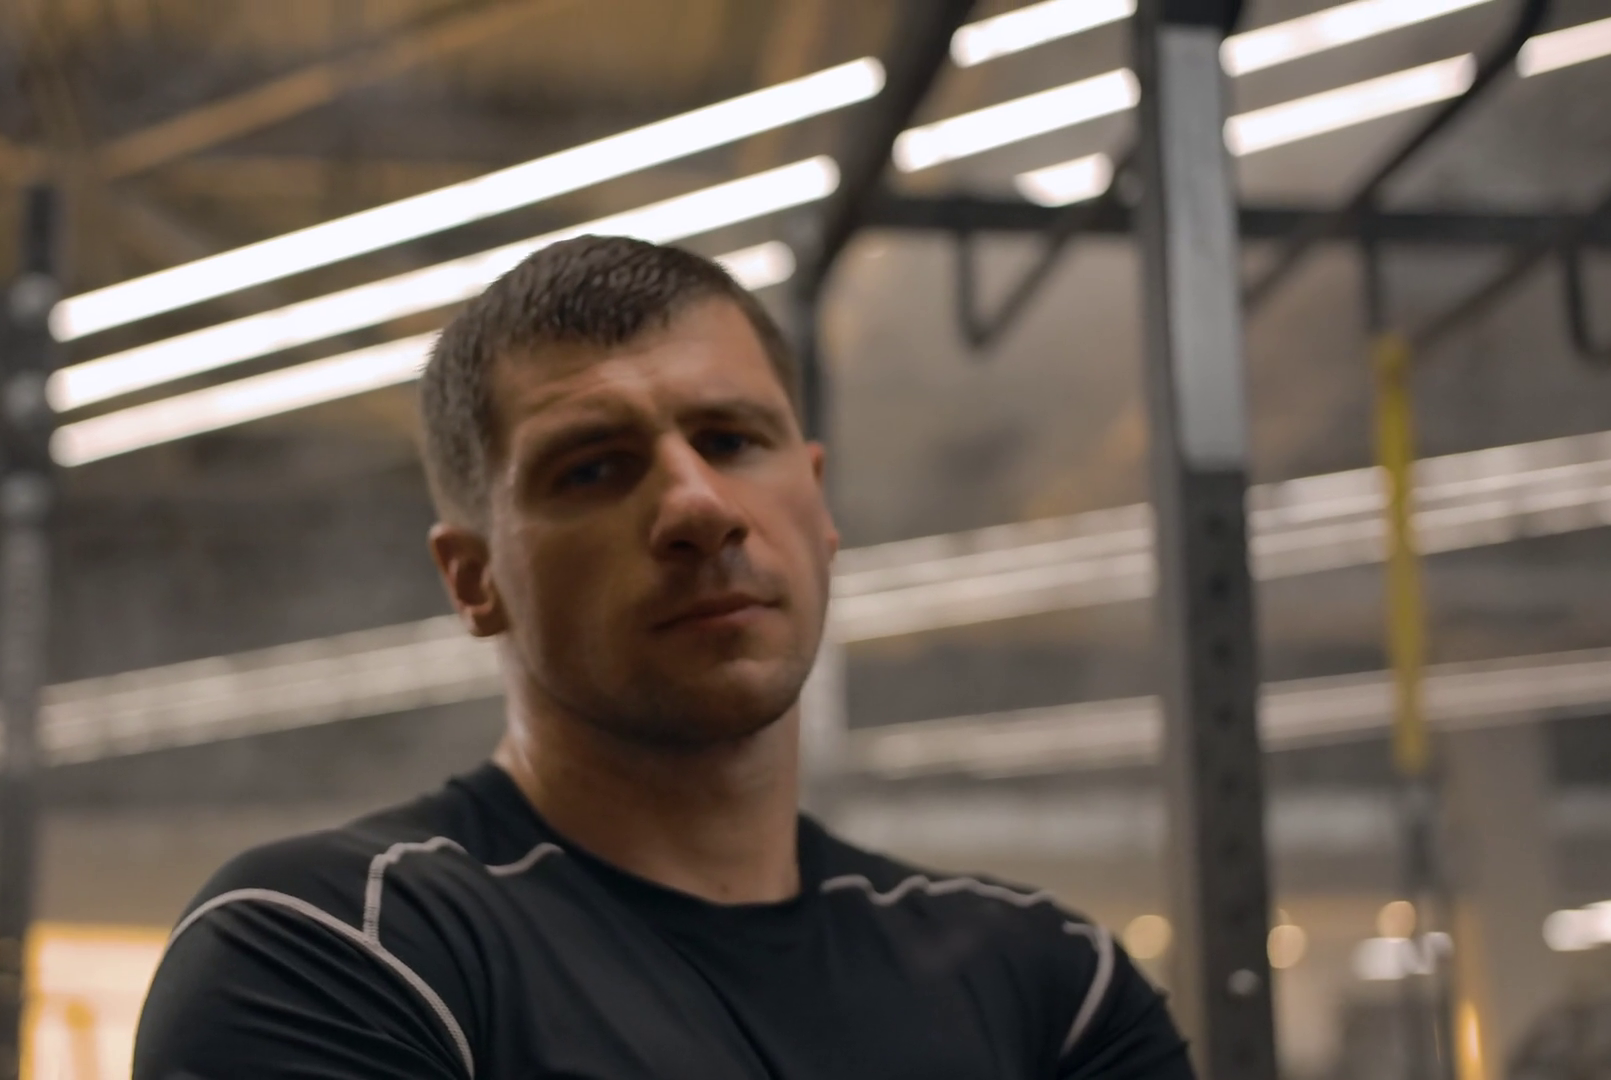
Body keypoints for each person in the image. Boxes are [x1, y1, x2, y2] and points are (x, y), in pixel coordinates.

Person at [134, 236, 1194, 1079]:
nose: (697, 506)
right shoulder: (341, 946)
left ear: (817, 499)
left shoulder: (1051, 988)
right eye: (593, 468)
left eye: (731, 441)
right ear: (474, 578)